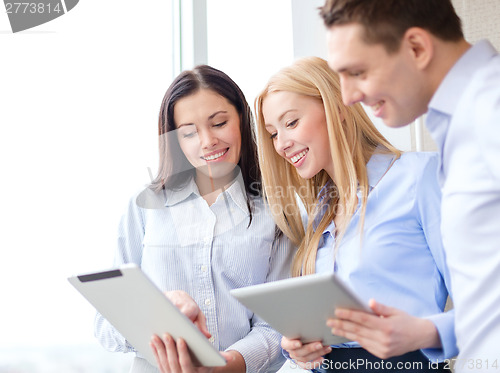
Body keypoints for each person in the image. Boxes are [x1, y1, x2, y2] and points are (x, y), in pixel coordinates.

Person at [320, 1, 500, 371]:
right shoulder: (459, 125)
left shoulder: (490, 109)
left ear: (417, 48)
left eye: (357, 72)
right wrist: (428, 332)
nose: (348, 95)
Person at [254, 56, 457, 373]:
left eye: (291, 123)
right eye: (273, 133)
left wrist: (424, 333)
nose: (281, 144)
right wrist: (297, 348)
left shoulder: (421, 177)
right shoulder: (319, 213)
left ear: (338, 107)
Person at [94, 65, 294, 373]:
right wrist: (159, 313)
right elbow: (106, 323)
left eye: (219, 123)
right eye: (188, 133)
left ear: (241, 120)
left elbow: (276, 325)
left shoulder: (277, 212)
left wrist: (229, 365)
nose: (207, 141)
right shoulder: (145, 207)